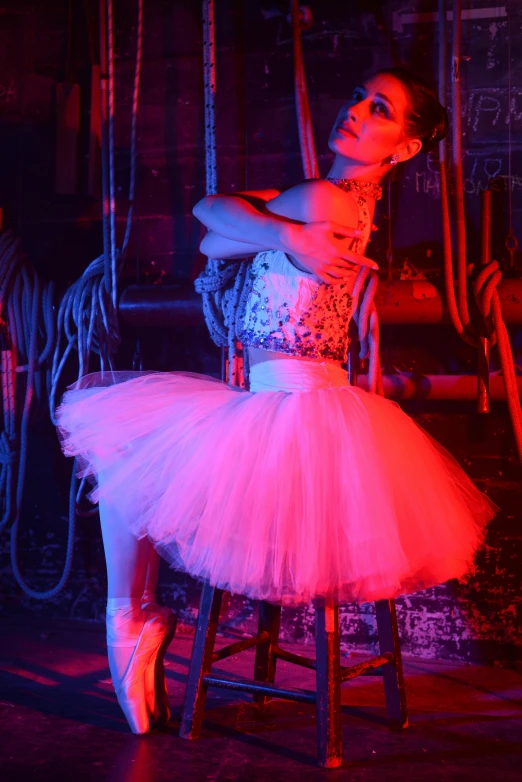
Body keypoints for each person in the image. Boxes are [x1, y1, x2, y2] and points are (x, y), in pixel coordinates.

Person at [55, 68, 498, 734]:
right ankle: (134, 620)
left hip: (290, 407)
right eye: (357, 96)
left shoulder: (324, 198)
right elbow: (215, 227)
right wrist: (285, 234)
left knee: (119, 441)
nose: (356, 111)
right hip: (282, 399)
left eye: (381, 110)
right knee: (126, 444)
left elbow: (210, 223)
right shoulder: (323, 198)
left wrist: (272, 226)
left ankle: (128, 618)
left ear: (403, 148)